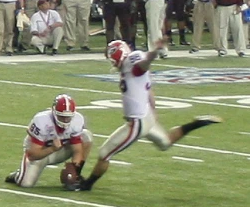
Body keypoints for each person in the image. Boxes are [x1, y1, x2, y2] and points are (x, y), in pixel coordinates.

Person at [78, 40, 222, 191]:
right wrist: (153, 111)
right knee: (165, 143)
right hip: (146, 116)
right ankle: (196, 123)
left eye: (115, 61)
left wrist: (154, 52)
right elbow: (148, 89)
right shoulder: (129, 64)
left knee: (104, 153)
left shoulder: (133, 61)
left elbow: (143, 64)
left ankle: (86, 185)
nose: (115, 65)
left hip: (137, 122)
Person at [5, 95, 92, 189]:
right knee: (26, 184)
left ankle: (77, 177)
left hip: (60, 151)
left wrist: (74, 170)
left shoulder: (77, 120)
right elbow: (33, 155)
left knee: (86, 136)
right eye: (62, 117)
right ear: (54, 112)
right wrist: (52, 148)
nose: (66, 120)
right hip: (40, 154)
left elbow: (77, 150)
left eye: (68, 117)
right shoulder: (41, 121)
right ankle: (18, 175)